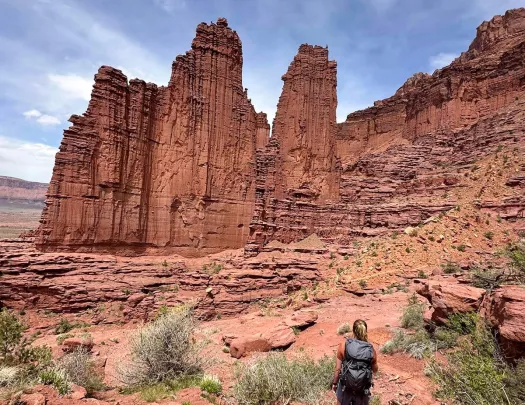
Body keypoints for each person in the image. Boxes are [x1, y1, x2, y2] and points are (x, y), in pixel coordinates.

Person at [332, 319, 378, 405]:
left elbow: (338, 369)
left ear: (353, 331)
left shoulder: (344, 345)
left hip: (346, 388)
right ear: (365, 331)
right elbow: (375, 370)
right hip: (362, 389)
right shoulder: (370, 350)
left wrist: (334, 383)